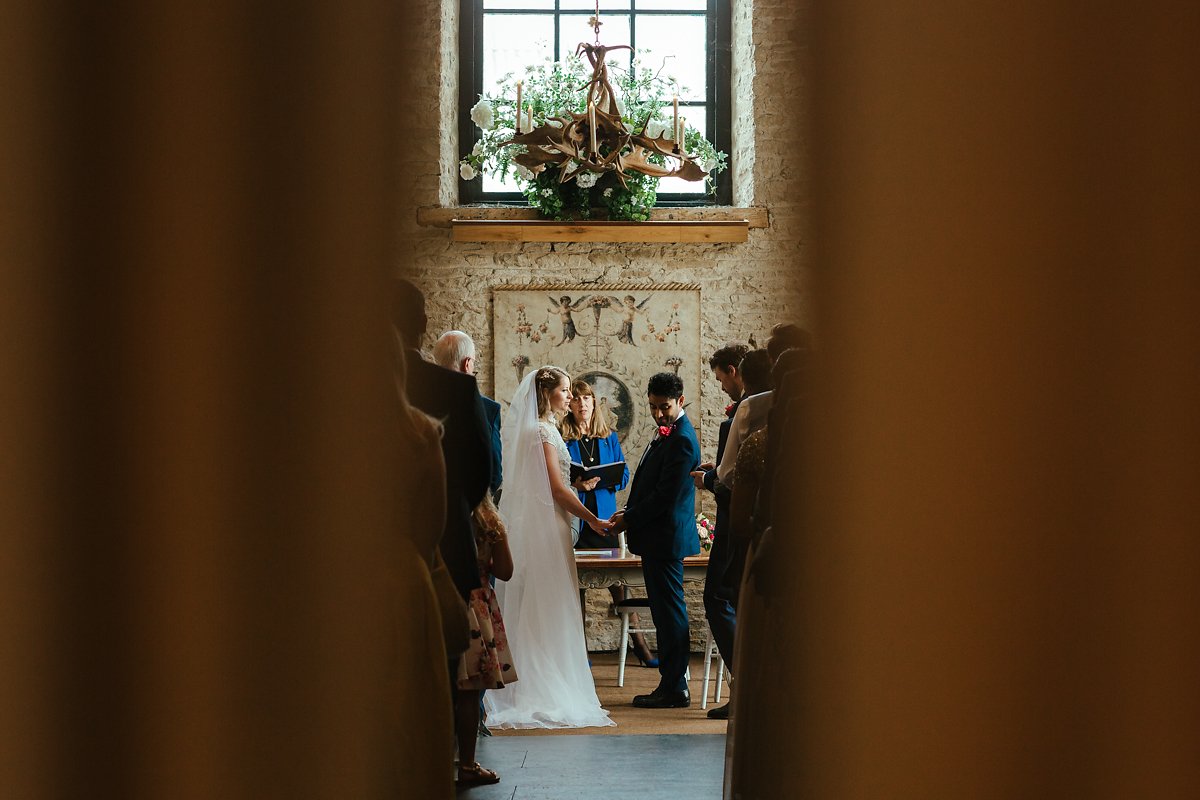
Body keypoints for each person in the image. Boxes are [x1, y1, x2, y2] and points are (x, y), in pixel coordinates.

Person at [482, 367, 616, 729]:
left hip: (548, 525)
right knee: (544, 604)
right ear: (547, 394)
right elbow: (557, 490)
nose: (570, 397)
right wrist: (591, 518)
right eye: (565, 390)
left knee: (546, 604)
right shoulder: (541, 430)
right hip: (544, 527)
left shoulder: (546, 429)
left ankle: (541, 682)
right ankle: (537, 690)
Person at [608, 372, 701, 709]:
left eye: (665, 407)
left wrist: (629, 518)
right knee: (665, 612)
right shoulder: (669, 434)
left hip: (666, 538)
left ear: (681, 400)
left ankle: (675, 687)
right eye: (653, 407)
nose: (659, 414)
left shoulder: (682, 439)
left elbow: (665, 495)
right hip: (659, 538)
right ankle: (672, 683)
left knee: (670, 613)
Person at [560, 379, 657, 668]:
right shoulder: (563, 438)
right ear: (570, 406)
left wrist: (605, 479)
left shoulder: (608, 437)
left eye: (587, 398)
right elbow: (558, 479)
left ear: (594, 403)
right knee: (577, 588)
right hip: (577, 521)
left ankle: (640, 645)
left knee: (620, 584)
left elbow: (624, 475)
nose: (582, 404)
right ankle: (580, 652)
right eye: (576, 399)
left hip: (603, 521)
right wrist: (578, 484)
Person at [688, 343, 749, 719]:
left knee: (718, 598)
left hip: (733, 521)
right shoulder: (756, 408)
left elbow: (732, 481)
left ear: (733, 370)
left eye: (721, 379)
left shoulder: (742, 413)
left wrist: (707, 479)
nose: (721, 387)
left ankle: (741, 679)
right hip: (745, 522)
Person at [453, 497, 516, 787]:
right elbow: (505, 571)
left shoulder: (433, 509)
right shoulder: (489, 520)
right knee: (468, 693)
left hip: (438, 599)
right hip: (475, 605)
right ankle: (466, 763)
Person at [433, 330, 502, 500]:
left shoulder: (419, 400)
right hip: (469, 509)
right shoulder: (488, 409)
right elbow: (494, 473)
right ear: (467, 363)